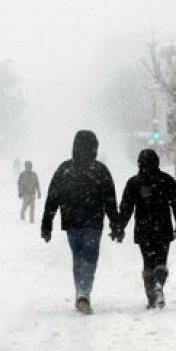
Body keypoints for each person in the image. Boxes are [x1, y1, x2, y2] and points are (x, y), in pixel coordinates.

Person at [41, 130, 120, 314]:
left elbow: (52, 198)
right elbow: (109, 200)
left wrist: (47, 224)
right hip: (93, 222)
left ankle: (80, 291)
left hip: (72, 222)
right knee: (90, 257)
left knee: (78, 257)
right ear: (94, 147)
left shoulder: (64, 169)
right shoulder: (100, 170)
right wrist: (115, 224)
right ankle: (84, 292)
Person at [117, 149, 176, 309]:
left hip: (143, 229)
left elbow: (126, 207)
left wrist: (120, 227)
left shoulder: (134, 182)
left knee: (148, 263)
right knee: (161, 260)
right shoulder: (166, 180)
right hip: (163, 228)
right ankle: (159, 283)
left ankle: (151, 297)